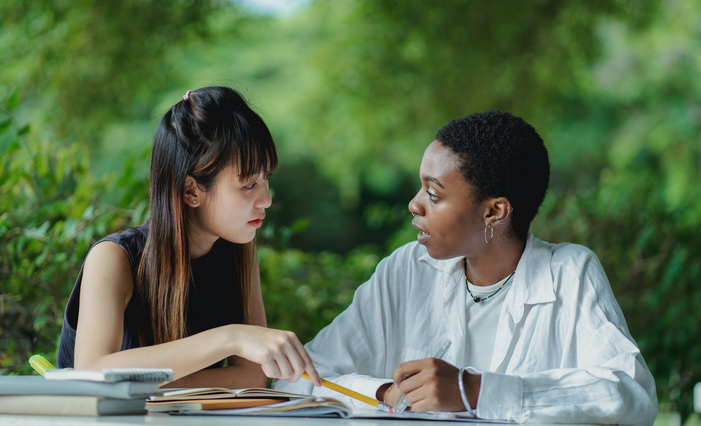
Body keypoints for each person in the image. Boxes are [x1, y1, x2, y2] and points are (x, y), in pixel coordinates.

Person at [274, 111, 657, 426]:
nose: (414, 204)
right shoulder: (407, 271)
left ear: (495, 211)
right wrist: (385, 393)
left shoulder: (569, 273)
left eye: (434, 194)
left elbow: (630, 393)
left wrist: (474, 390)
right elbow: (298, 378)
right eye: (420, 188)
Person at [57, 86, 321, 389]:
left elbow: (252, 377)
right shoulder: (114, 258)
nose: (266, 199)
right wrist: (229, 338)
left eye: (266, 179)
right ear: (191, 191)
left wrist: (142, 382)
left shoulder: (238, 252)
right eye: (249, 184)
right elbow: (92, 372)